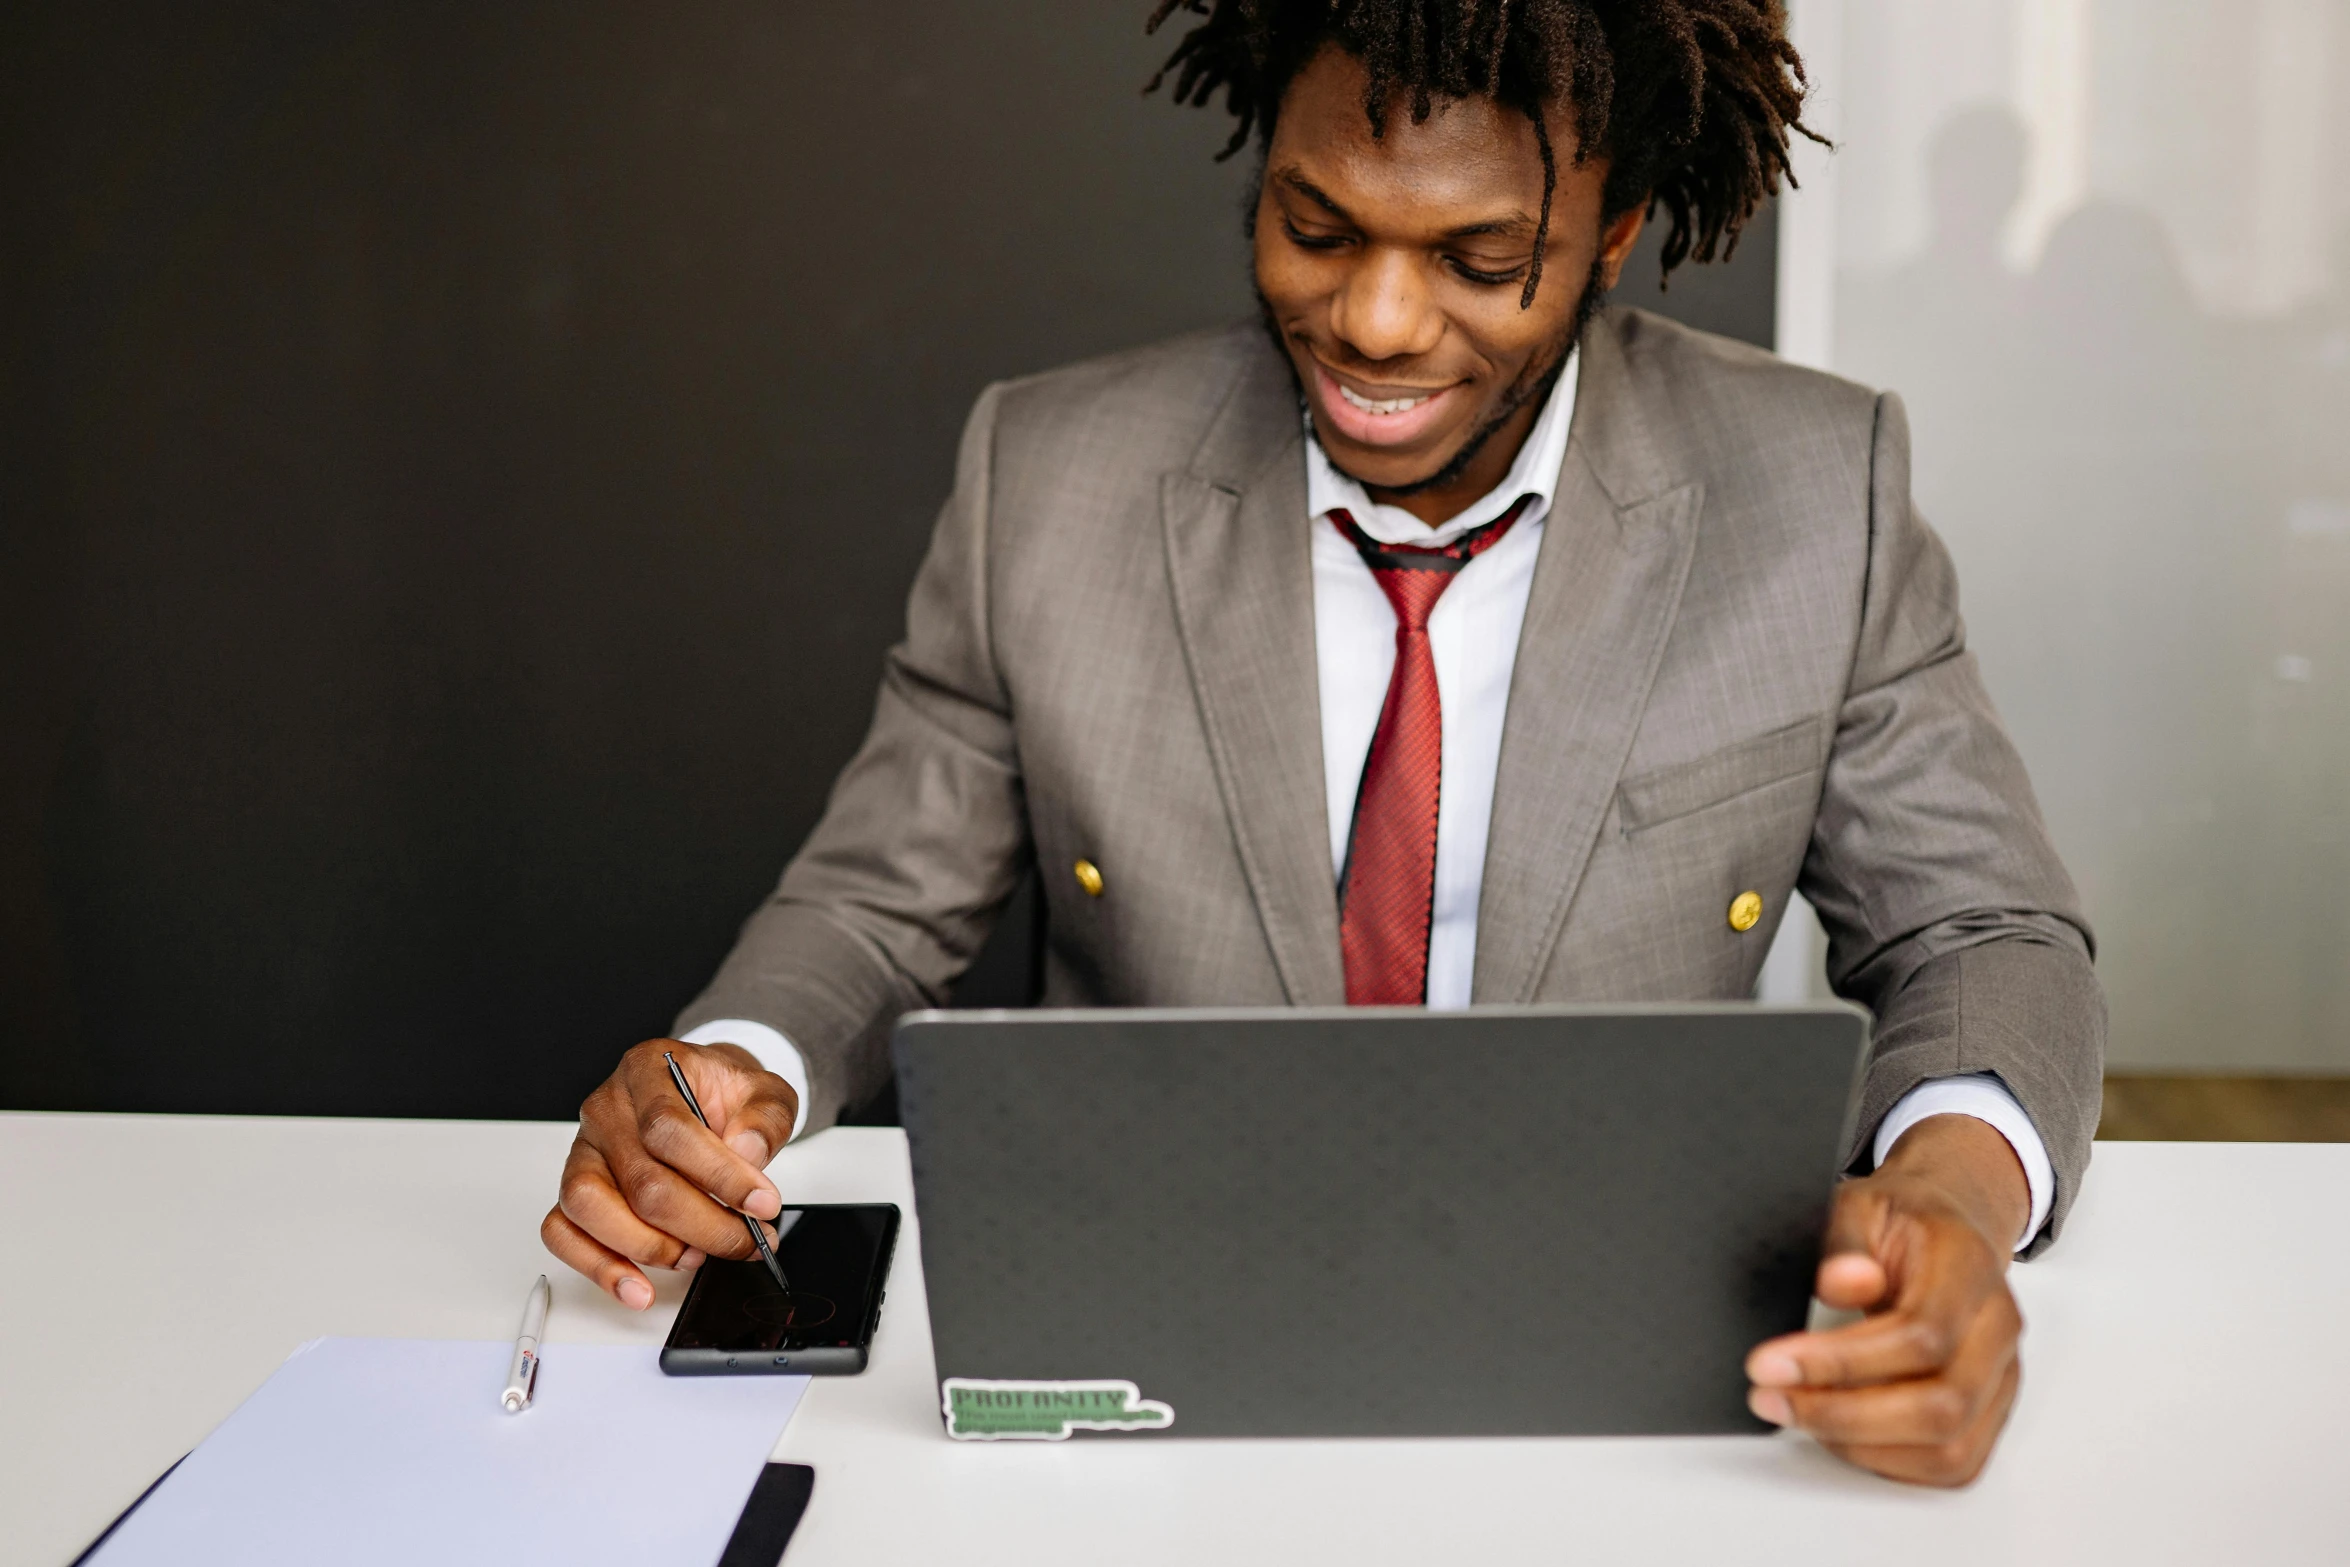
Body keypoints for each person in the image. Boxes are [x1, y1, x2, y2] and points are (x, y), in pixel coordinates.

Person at [542, 0, 2103, 1487]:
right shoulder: (1049, 473)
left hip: (1627, 1381)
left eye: (1481, 258)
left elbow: (1982, 929)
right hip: (1154, 1353)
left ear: (1612, 229)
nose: (1371, 322)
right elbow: (878, 904)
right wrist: (729, 1068)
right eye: (1316, 227)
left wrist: (1945, 1193)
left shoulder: (1816, 489)